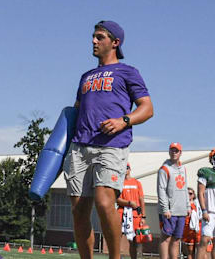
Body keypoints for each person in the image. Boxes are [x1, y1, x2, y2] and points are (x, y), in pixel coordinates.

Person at [62, 20, 153, 259]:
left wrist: (124, 120)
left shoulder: (128, 72)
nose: (93, 40)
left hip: (112, 146)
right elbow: (77, 110)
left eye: (99, 37)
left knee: (104, 203)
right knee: (79, 211)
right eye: (93, 36)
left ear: (115, 42)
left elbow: (147, 108)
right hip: (80, 147)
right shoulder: (86, 76)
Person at [157, 142, 190, 259]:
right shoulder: (164, 169)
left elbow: (185, 188)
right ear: (169, 152)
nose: (174, 153)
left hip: (181, 210)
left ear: (181, 153)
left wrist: (188, 206)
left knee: (176, 240)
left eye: (176, 151)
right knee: (166, 238)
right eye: (172, 150)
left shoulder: (183, 169)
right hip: (169, 211)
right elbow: (161, 190)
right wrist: (165, 209)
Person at [116, 163, 146, 259]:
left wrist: (143, 216)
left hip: (135, 214)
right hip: (121, 212)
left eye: (127, 167)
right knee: (116, 238)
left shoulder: (137, 183)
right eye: (123, 168)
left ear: (130, 169)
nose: (125, 169)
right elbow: (117, 199)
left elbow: (141, 199)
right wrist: (128, 203)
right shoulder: (119, 183)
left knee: (134, 240)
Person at [182, 187, 201, 259]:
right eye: (186, 193)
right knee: (190, 251)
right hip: (188, 229)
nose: (188, 195)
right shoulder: (183, 204)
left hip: (198, 229)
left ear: (193, 195)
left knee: (200, 250)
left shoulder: (198, 204)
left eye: (190, 193)